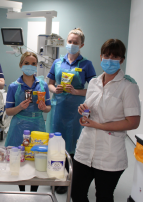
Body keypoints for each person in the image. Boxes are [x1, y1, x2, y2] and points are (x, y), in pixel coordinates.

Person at [72, 39, 140, 202]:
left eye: (115, 57)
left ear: (122, 60)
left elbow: (133, 122)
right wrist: (84, 111)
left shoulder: (128, 86)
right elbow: (90, 110)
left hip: (110, 154)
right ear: (101, 56)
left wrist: (99, 125)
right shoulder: (94, 82)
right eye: (106, 55)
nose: (110, 59)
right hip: (85, 150)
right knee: (76, 194)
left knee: (103, 197)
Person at [46, 28, 96, 194]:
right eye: (70, 41)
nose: (72, 44)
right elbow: (50, 83)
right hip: (58, 107)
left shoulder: (86, 64)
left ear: (82, 44)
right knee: (56, 142)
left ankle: (70, 178)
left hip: (76, 109)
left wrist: (76, 92)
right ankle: (56, 175)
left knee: (73, 142)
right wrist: (55, 90)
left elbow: (94, 89)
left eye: (75, 42)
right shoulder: (58, 62)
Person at [5, 51, 51, 192]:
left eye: (33, 64)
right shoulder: (14, 86)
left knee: (37, 159)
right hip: (18, 126)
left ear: (36, 66)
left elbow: (48, 108)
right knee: (19, 159)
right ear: (21, 65)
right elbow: (8, 111)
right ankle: (22, 192)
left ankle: (33, 192)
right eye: (26, 63)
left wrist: (44, 108)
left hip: (37, 125)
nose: (30, 66)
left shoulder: (43, 85)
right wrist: (20, 107)